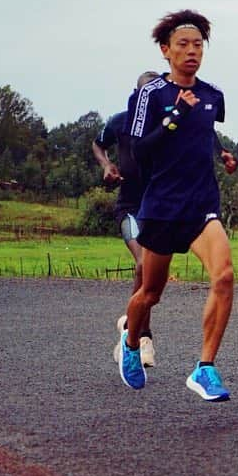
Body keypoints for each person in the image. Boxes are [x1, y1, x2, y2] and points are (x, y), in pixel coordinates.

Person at [117, 9, 238, 402]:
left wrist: (223, 153)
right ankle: (132, 342)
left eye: (198, 45)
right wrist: (175, 116)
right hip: (162, 205)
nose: (191, 51)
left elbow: (204, 135)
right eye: (183, 45)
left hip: (201, 203)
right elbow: (137, 152)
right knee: (150, 292)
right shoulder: (149, 95)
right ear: (165, 51)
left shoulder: (213, 95)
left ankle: (205, 368)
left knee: (224, 277)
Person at [94, 70, 160, 367]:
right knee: (143, 264)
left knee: (151, 276)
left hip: (159, 209)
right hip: (130, 206)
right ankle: (140, 337)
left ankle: (132, 329)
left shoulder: (168, 125)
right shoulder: (120, 121)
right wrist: (107, 165)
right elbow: (98, 143)